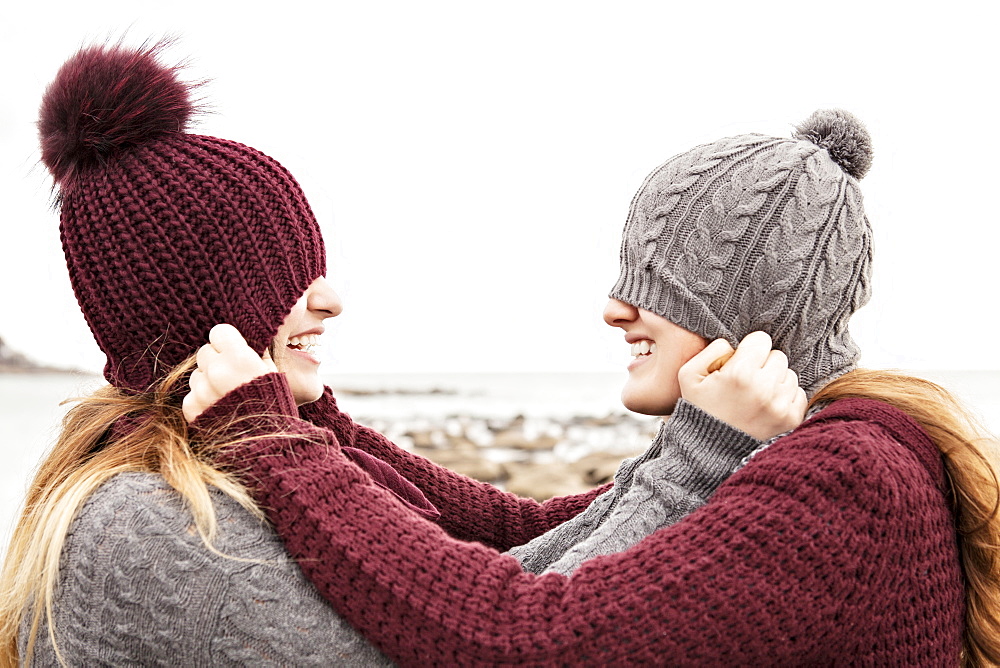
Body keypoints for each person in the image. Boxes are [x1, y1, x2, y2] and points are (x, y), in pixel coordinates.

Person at [0, 41, 798, 667]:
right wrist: (698, 458)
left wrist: (694, 449)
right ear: (203, 307)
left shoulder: (230, 462)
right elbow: (496, 635)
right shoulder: (156, 521)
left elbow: (507, 539)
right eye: (285, 275)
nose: (330, 299)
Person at [183, 110, 1000, 664]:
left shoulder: (841, 479)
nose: (614, 308)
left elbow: (520, 640)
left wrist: (273, 447)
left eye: (657, 284)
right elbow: (519, 530)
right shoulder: (799, 451)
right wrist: (326, 424)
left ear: (753, 304)